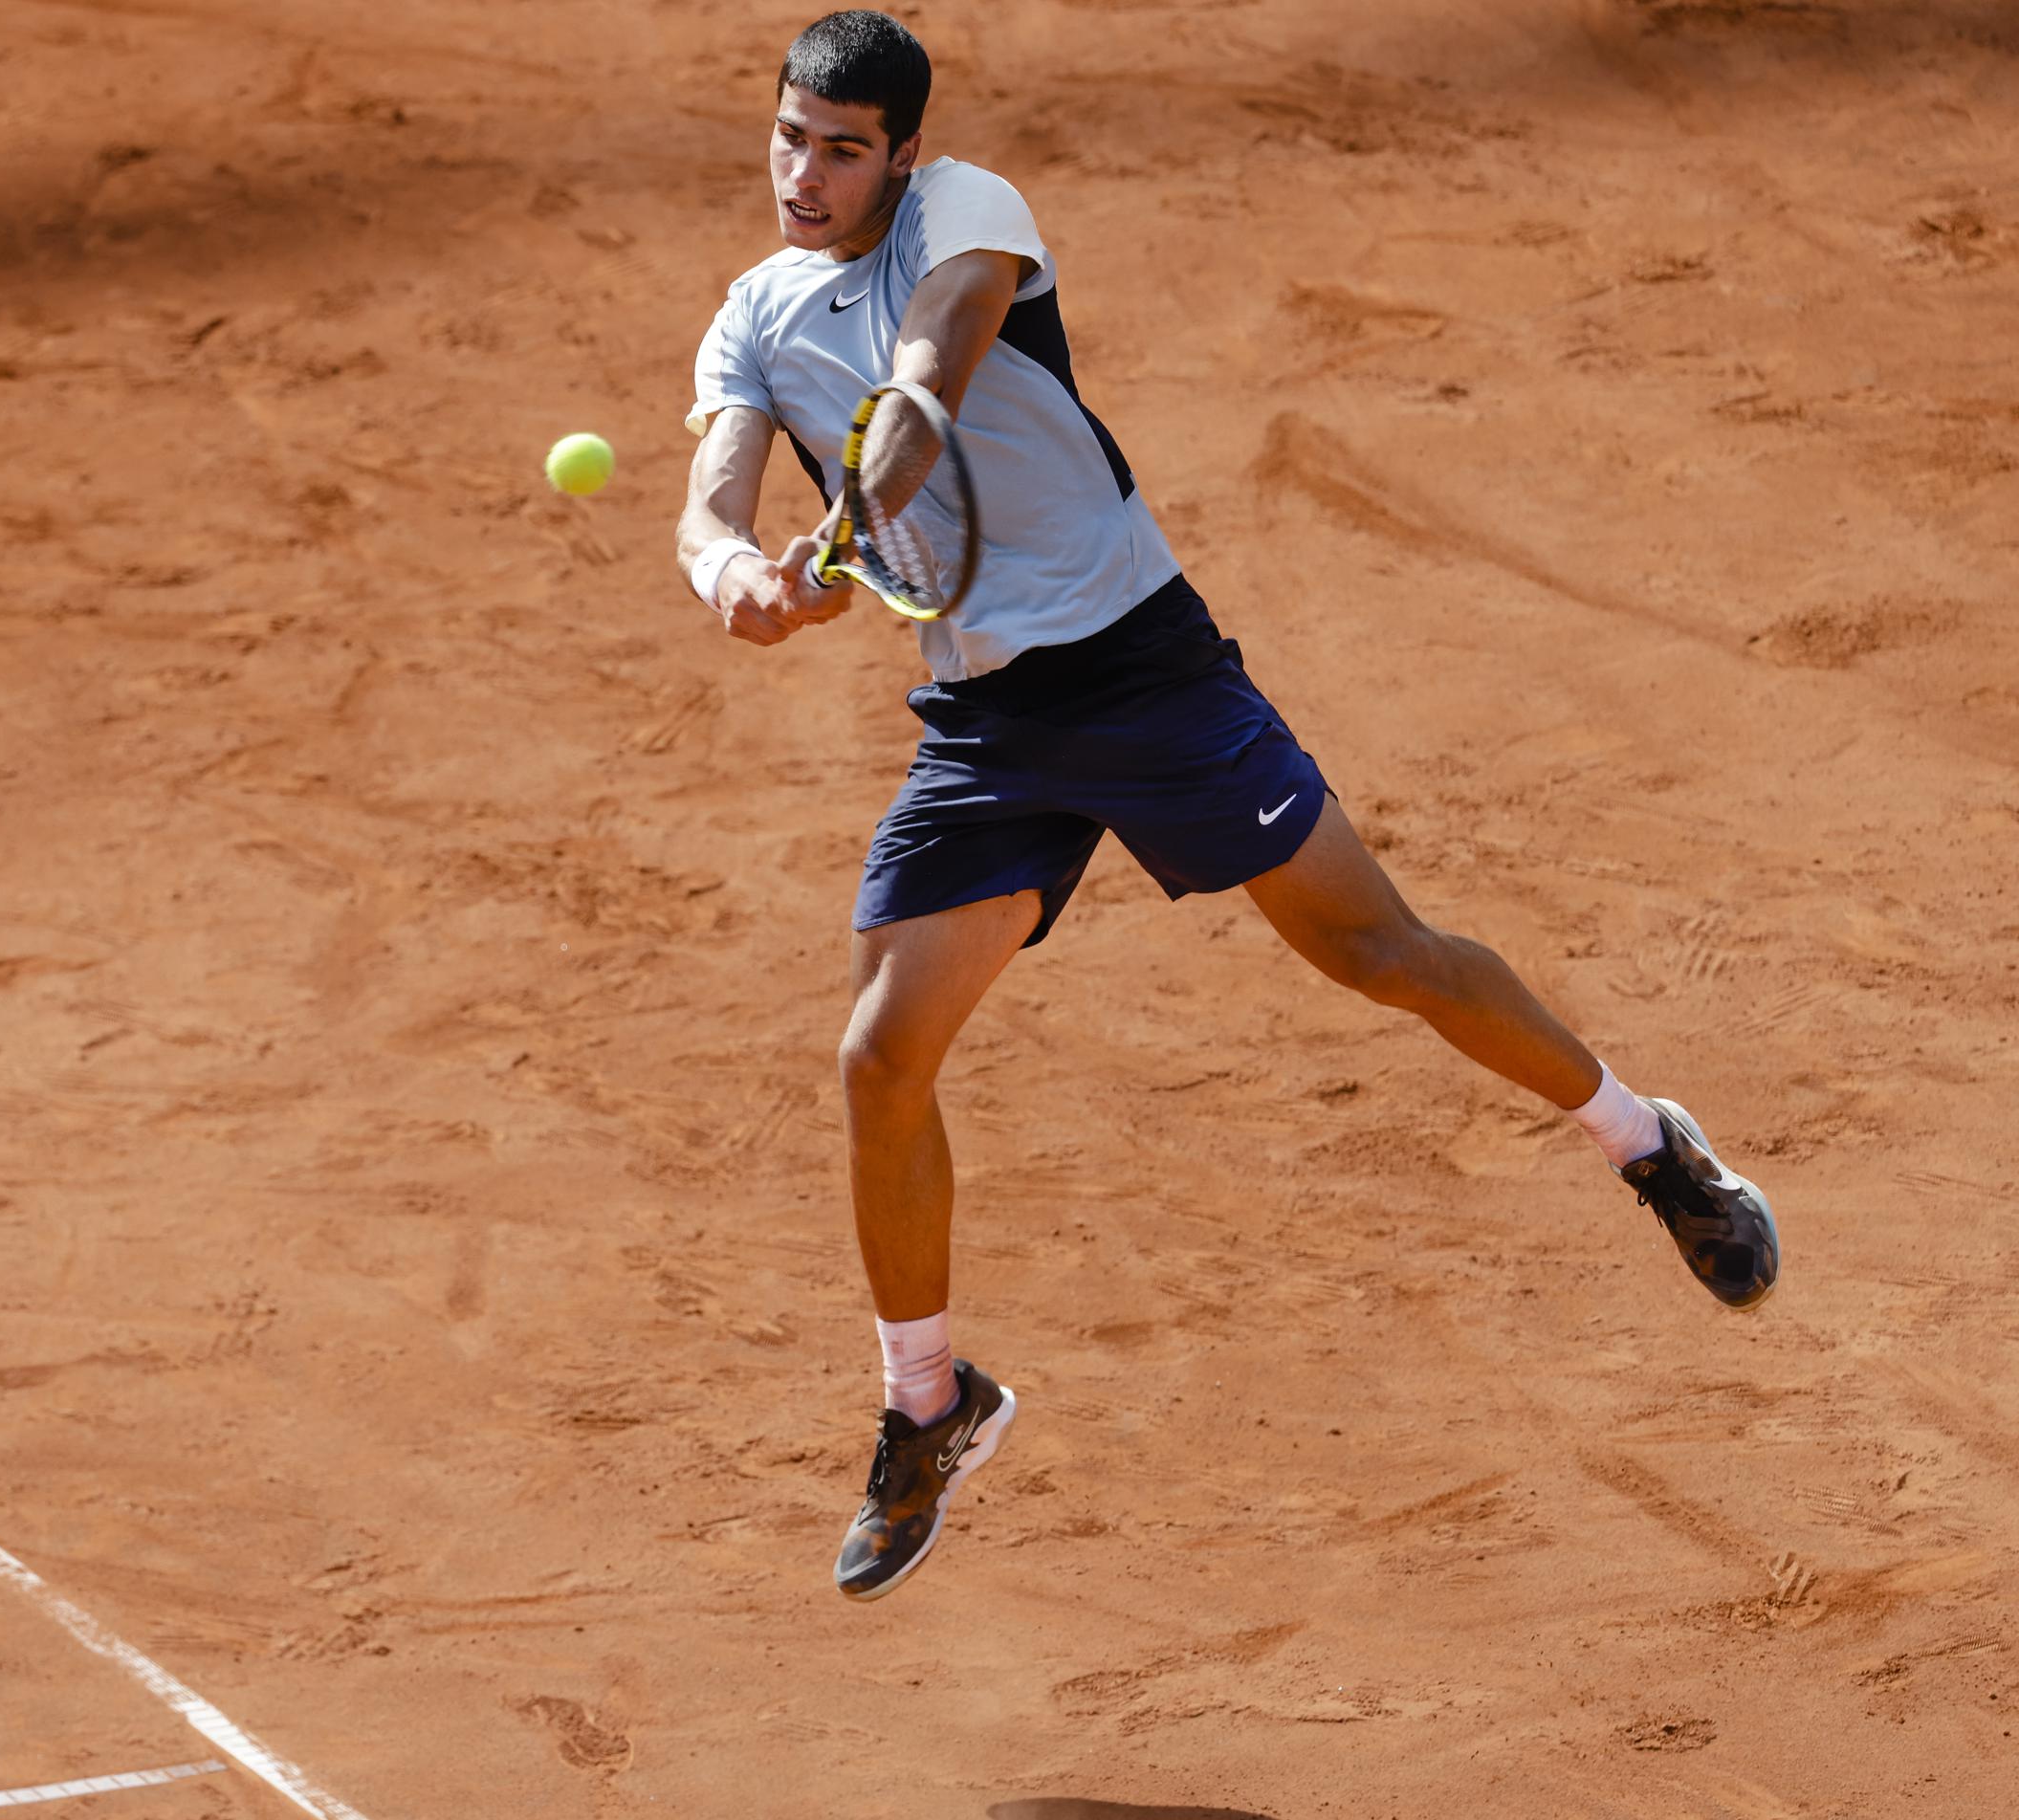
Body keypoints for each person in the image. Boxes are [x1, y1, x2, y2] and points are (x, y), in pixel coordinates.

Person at [672, 10, 1779, 1604]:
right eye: (790, 136)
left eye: (844, 147)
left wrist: (853, 512)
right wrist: (739, 582)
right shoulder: (755, 320)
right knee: (877, 1058)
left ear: (902, 150)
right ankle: (930, 1402)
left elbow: (929, 374)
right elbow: (710, 502)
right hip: (985, 727)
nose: (807, 171)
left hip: (1146, 675)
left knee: (1386, 956)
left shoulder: (967, 212)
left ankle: (1648, 1142)